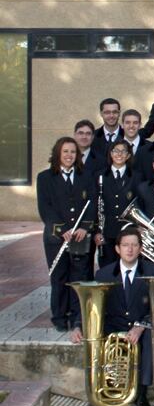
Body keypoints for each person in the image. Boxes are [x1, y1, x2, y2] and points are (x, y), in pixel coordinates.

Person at [70, 228, 154, 406]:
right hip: (114, 325)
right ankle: (98, 394)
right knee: (96, 337)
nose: (130, 249)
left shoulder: (153, 272)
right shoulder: (103, 274)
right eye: (126, 245)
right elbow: (91, 306)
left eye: (135, 245)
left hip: (140, 325)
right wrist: (78, 326)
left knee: (150, 337)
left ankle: (141, 393)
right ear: (118, 249)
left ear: (141, 249)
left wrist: (141, 326)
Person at [37, 137, 96, 331]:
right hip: (57, 238)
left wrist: (84, 227)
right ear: (57, 154)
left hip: (79, 236)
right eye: (65, 152)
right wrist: (62, 230)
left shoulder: (86, 176)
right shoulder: (44, 178)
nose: (69, 155)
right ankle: (60, 318)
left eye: (73, 152)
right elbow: (45, 208)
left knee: (79, 277)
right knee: (59, 277)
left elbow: (93, 203)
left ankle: (77, 317)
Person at [94, 140, 136, 268]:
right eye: (116, 151)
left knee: (129, 268)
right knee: (107, 269)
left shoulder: (137, 176)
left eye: (123, 151)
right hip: (106, 232)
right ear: (110, 154)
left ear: (128, 155)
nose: (119, 154)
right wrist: (96, 231)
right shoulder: (99, 175)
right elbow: (94, 207)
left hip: (128, 232)